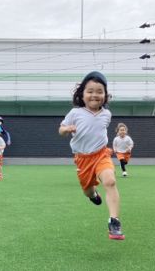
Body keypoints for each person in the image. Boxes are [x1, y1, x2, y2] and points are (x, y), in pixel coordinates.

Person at [59, 71, 125, 240]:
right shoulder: (75, 113)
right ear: (82, 94)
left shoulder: (106, 114)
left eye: (99, 91)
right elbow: (60, 129)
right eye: (90, 91)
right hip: (82, 159)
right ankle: (93, 195)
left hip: (101, 154)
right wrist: (67, 129)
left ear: (105, 95)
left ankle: (114, 221)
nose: (94, 95)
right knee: (87, 191)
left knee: (110, 180)